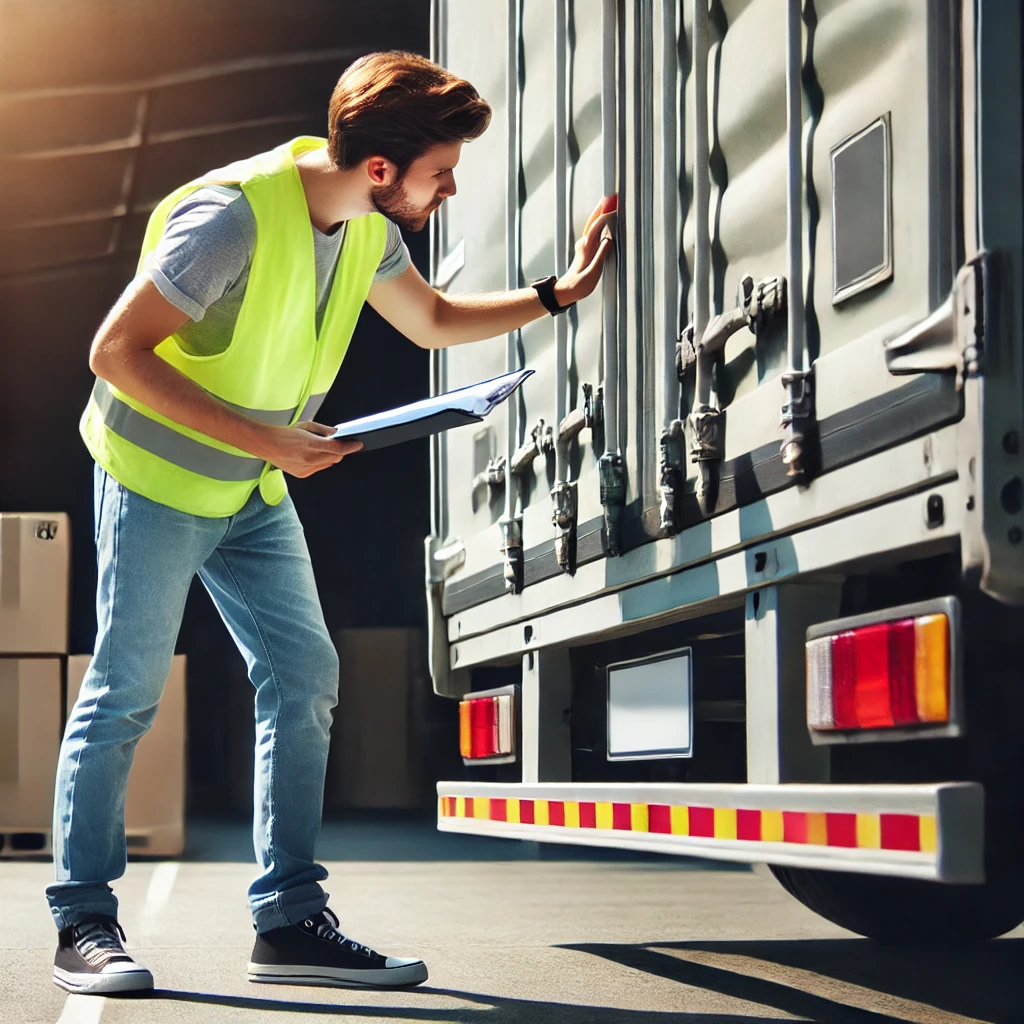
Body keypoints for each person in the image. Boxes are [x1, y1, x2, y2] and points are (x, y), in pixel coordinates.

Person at [47, 50, 615, 996]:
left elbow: (430, 320)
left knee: (306, 677)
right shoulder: (229, 218)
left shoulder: (363, 228)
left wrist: (558, 295)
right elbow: (115, 352)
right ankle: (84, 922)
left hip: (249, 497)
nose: (450, 188)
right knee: (127, 690)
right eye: (442, 172)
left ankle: (290, 921)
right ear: (384, 169)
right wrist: (269, 442)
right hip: (156, 482)